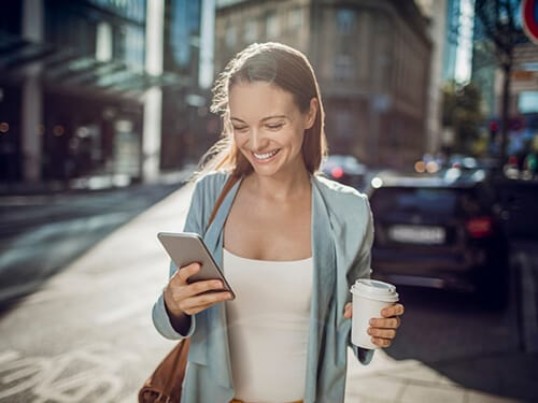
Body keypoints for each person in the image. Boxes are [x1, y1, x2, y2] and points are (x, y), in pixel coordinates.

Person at [152, 42, 405, 403]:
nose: (255, 143)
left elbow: (352, 322)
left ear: (310, 113)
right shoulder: (210, 194)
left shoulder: (349, 210)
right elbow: (170, 318)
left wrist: (374, 328)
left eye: (273, 124)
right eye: (240, 126)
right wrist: (174, 303)